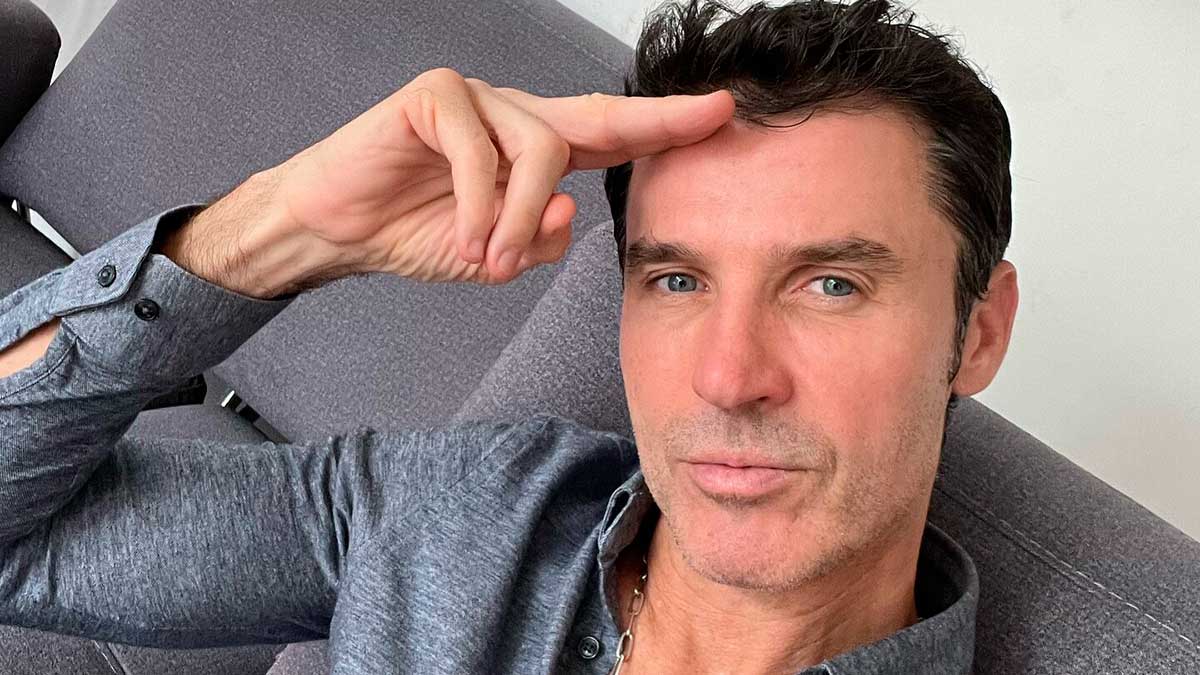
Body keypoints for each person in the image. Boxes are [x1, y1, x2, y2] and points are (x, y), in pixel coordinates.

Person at [0, 0, 1017, 672]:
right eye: (676, 279)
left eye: (831, 284)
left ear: (977, 333)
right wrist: (273, 235)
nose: (727, 374)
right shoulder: (473, 504)